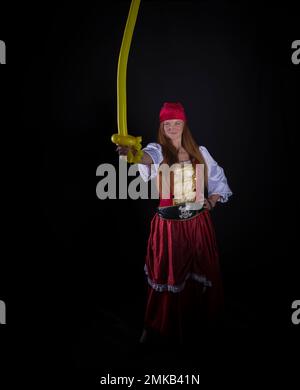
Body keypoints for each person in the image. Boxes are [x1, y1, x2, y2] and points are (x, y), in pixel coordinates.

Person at [116, 102, 233, 344]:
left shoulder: (199, 152)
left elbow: (219, 180)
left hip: (198, 225)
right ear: (161, 127)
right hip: (169, 228)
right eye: (167, 124)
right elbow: (144, 158)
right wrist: (131, 153)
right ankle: (153, 324)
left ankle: (197, 325)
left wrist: (212, 200)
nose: (172, 128)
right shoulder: (157, 151)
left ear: (184, 125)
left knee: (198, 273)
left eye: (176, 123)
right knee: (165, 274)